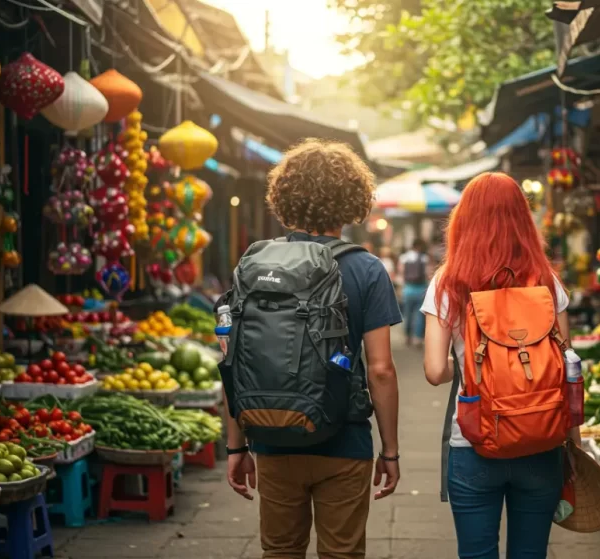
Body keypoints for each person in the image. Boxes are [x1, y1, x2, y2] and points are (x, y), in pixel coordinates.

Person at [222, 139, 402, 559]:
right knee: (342, 554)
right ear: (352, 199)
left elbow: (234, 360)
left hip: (272, 434)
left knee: (280, 551)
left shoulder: (254, 266)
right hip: (345, 440)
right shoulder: (366, 269)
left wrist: (235, 447)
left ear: (283, 196)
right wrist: (389, 451)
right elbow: (381, 371)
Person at [420, 172, 574, 559]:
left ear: (464, 221)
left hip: (474, 440)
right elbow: (564, 359)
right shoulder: (545, 282)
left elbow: (435, 371)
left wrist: (472, 365)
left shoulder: (447, 283)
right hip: (540, 438)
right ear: (522, 218)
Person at [398, 239, 430, 347]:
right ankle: (417, 338)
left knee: (407, 313)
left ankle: (407, 336)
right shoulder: (424, 258)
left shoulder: (404, 257)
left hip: (408, 289)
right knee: (419, 314)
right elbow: (427, 274)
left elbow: (401, 273)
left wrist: (401, 288)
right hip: (420, 289)